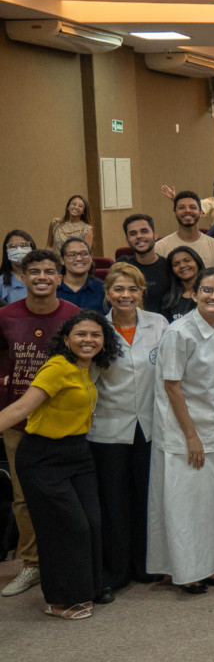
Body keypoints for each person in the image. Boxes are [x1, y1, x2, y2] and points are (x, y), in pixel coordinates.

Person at [0, 310, 118, 618]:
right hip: (42, 457)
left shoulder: (85, 368)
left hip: (77, 454)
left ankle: (84, 590)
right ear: (66, 340)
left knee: (91, 523)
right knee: (67, 528)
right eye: (81, 334)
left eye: (96, 335)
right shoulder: (57, 367)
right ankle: (58, 600)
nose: (88, 340)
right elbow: (22, 407)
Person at [147, 267, 214, 595]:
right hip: (183, 430)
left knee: (212, 500)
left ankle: (210, 565)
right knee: (185, 503)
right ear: (193, 294)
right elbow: (172, 388)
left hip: (212, 425)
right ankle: (187, 572)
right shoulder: (179, 332)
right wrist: (191, 436)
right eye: (207, 290)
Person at [0, 249, 80, 598]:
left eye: (50, 271)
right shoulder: (5, 316)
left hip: (65, 422)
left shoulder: (75, 316)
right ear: (23, 277)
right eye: (35, 272)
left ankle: (70, 560)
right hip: (18, 420)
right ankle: (32, 564)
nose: (42, 277)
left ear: (60, 277)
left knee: (68, 496)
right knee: (23, 496)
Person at [89, 266, 167, 597]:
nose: (126, 295)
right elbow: (88, 380)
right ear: (107, 293)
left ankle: (144, 564)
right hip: (108, 428)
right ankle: (115, 571)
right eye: (118, 289)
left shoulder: (158, 324)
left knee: (145, 498)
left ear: (141, 293)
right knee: (114, 501)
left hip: (149, 426)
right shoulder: (96, 328)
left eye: (132, 289)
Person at [154, 191, 214, 270]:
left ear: (201, 212)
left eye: (193, 207)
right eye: (181, 207)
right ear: (174, 213)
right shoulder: (160, 248)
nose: (187, 210)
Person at [56, 237, 104, 313]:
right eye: (72, 255)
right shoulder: (53, 289)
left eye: (84, 254)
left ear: (91, 258)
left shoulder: (103, 289)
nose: (79, 258)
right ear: (62, 260)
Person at [160, 246, 204, 321]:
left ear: (197, 262)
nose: (182, 266)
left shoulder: (212, 294)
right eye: (176, 264)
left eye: (187, 260)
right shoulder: (169, 300)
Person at [0, 230, 35, 303]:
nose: (19, 250)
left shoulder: (44, 277)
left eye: (24, 245)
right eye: (13, 246)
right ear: (6, 251)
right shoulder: (1, 282)